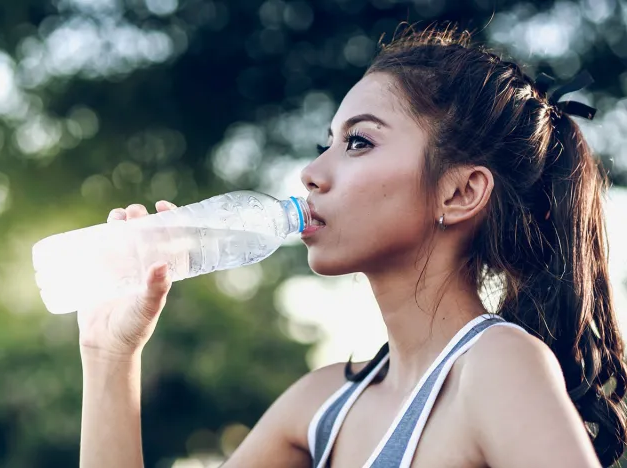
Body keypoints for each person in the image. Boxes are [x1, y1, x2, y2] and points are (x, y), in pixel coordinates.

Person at [78, 26, 627, 468]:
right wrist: (109, 357)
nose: (313, 173)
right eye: (327, 143)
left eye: (359, 142)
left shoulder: (497, 367)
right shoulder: (320, 406)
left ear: (460, 192)